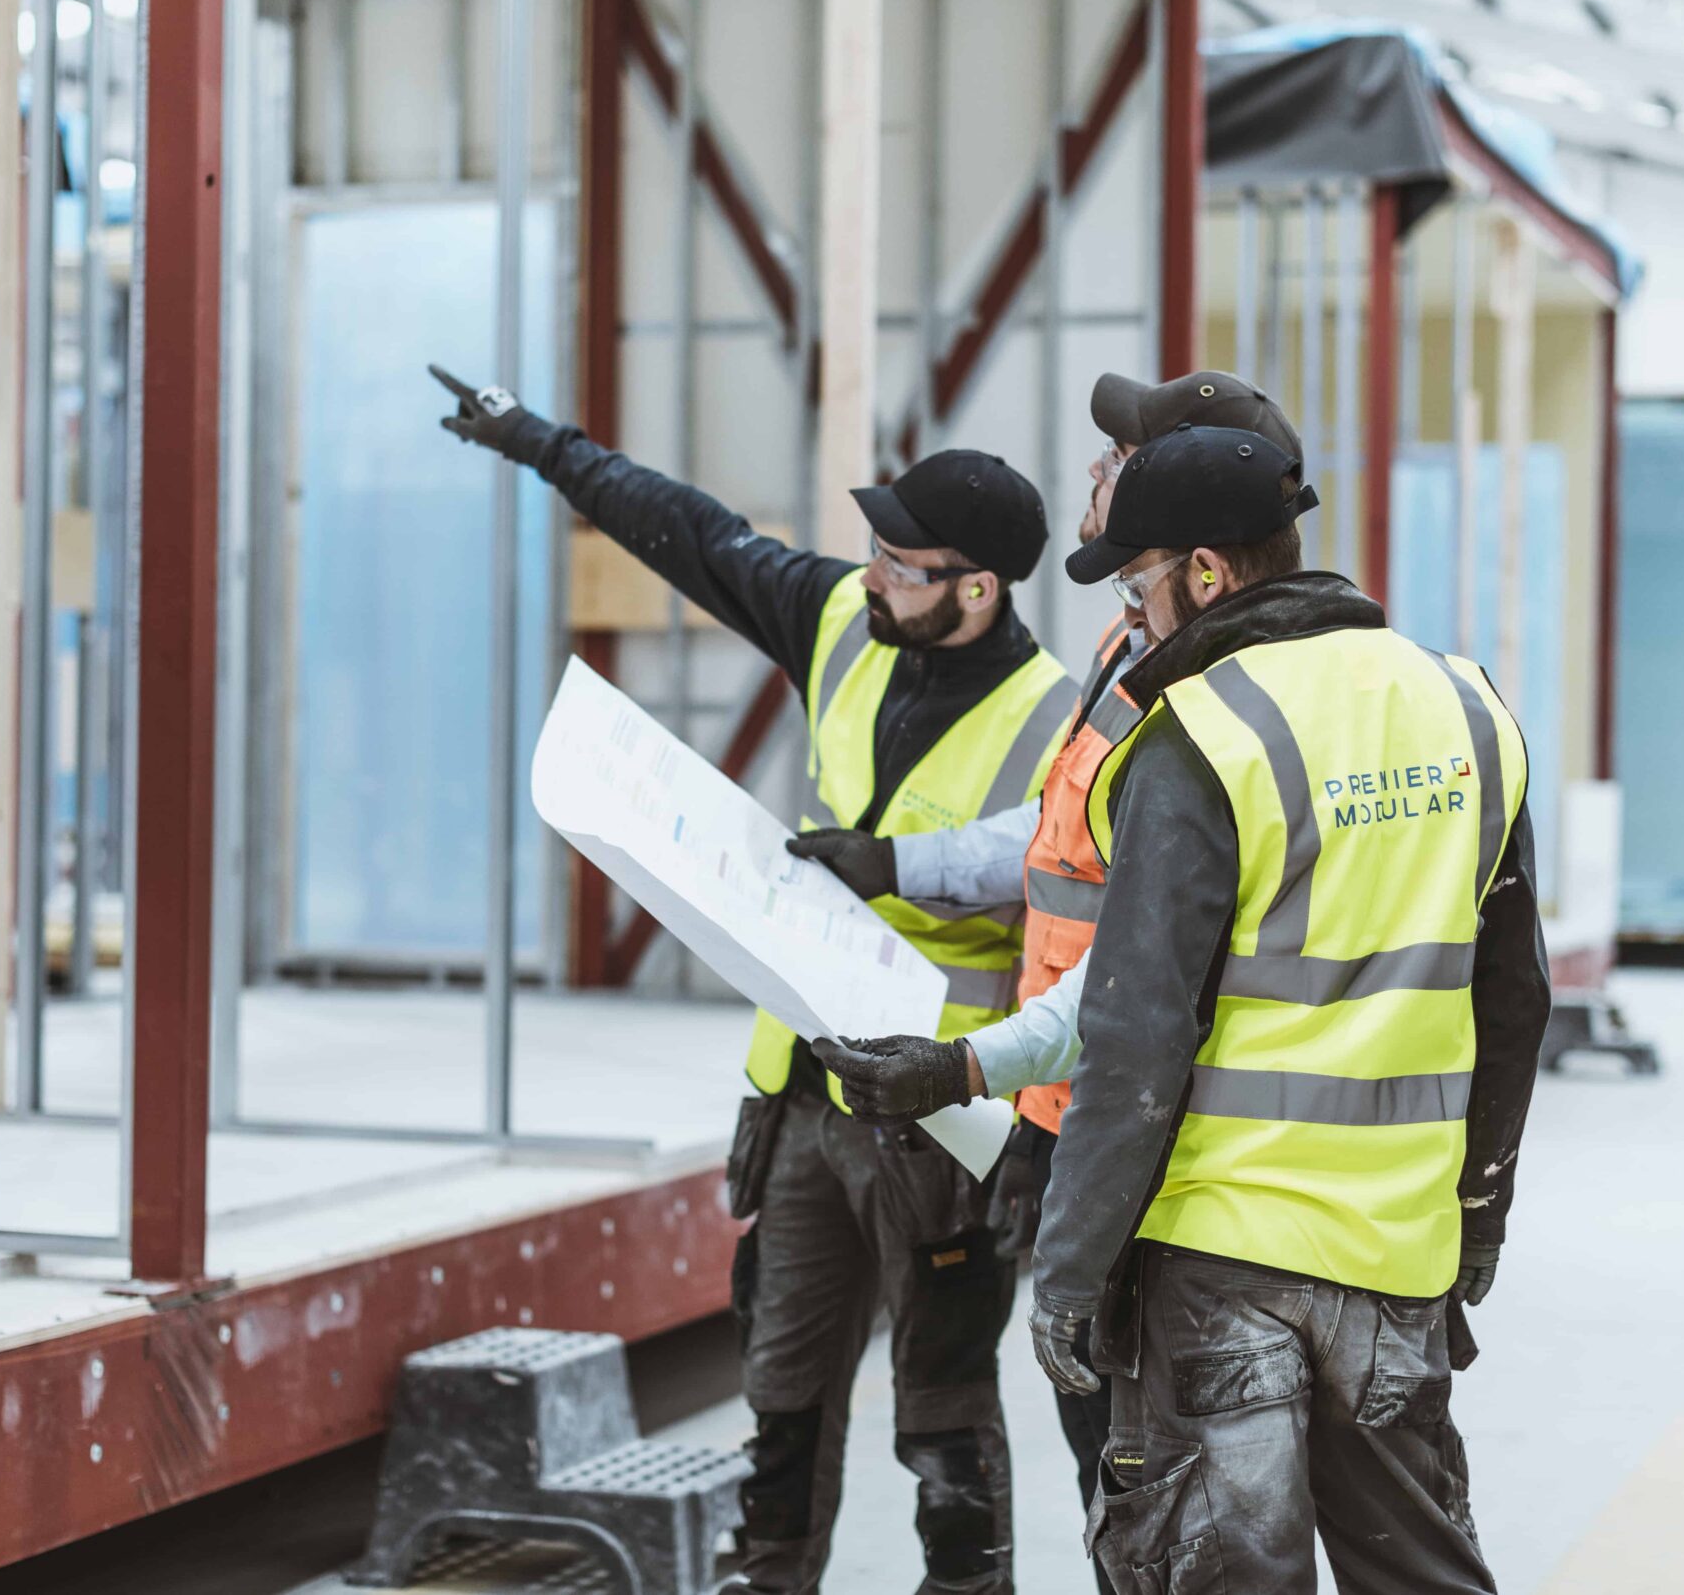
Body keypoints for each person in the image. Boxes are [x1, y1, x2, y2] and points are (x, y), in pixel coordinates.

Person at [819, 421, 1552, 1592]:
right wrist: (1478, 1210)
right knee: (1419, 1571)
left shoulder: (1203, 732)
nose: (1134, 619)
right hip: (1397, 1252)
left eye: (1139, 583)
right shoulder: (1466, 709)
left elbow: (1134, 1032)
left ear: (1203, 573)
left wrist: (1067, 1274)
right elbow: (1513, 999)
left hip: (1221, 1255)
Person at [429, 364, 1075, 1595]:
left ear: (977, 589)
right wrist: (537, 442)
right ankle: (768, 1576)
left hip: (944, 1112)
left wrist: (1034, 1122)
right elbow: (692, 534)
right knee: (780, 1380)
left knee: (937, 1404)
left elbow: (1060, 900)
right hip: (803, 1090)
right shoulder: (843, 621)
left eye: (902, 565)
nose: (871, 577)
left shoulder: (1058, 721)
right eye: (872, 553)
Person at [797, 371, 1304, 1581]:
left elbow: (1148, 955)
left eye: (1117, 461)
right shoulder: (1134, 647)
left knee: (1156, 1484)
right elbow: (1054, 845)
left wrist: (987, 1070)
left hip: (1134, 1121)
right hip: (1070, 1095)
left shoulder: (1202, 689)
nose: (1094, 480)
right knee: (1119, 1480)